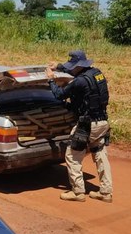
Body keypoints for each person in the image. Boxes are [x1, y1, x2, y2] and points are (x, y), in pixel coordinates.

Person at [46, 50, 113, 203]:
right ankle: (106, 192)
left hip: (87, 125)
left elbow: (59, 94)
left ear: (78, 65)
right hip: (102, 122)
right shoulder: (97, 73)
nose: (71, 68)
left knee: (72, 155)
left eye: (72, 65)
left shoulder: (79, 81)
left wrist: (50, 80)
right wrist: (59, 66)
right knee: (101, 155)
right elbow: (75, 75)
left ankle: (77, 192)